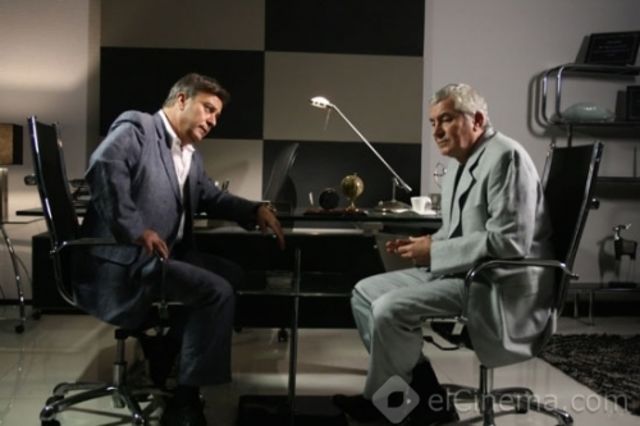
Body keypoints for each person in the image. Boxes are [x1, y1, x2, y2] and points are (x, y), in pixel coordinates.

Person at [333, 83, 553, 425]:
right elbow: (458, 234)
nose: (436, 131)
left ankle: (388, 407)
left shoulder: (505, 157)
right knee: (365, 294)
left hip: (497, 283)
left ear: (477, 120)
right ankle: (423, 398)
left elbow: (510, 242)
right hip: (465, 273)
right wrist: (424, 243)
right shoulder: (458, 166)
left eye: (446, 119)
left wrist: (435, 250)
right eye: (433, 122)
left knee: (389, 308)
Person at [77, 72, 285, 426]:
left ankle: (169, 348)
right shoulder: (138, 127)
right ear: (182, 100)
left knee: (233, 275)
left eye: (217, 115)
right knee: (216, 292)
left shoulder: (190, 155)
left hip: (166, 255)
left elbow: (211, 197)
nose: (213, 120)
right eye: (208, 108)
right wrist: (135, 229)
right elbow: (104, 165)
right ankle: (184, 400)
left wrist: (254, 210)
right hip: (128, 262)